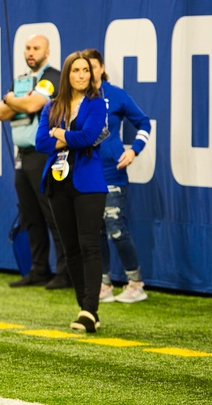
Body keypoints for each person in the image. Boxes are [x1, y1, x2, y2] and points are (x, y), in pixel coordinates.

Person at [36, 52, 109, 333]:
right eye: (76, 70)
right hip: (57, 182)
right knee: (70, 249)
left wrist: (58, 133)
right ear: (66, 75)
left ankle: (90, 309)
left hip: (88, 183)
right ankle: (85, 307)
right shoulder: (52, 106)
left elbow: (88, 137)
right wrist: (61, 136)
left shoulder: (97, 103)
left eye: (86, 70)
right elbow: (40, 142)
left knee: (89, 244)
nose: (81, 75)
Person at [0, 35, 69, 289]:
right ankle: (39, 269)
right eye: (27, 48)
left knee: (52, 213)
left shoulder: (51, 76)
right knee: (31, 216)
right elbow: (1, 113)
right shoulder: (22, 81)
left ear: (47, 52)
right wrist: (16, 100)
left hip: (45, 154)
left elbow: (33, 104)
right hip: (23, 155)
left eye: (36, 48)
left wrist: (12, 100)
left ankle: (65, 271)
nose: (30, 52)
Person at [81, 48, 151, 304]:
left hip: (112, 172)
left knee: (115, 228)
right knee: (94, 230)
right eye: (82, 68)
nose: (87, 73)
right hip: (85, 173)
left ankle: (135, 283)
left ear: (101, 68)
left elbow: (144, 122)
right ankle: (104, 283)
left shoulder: (116, 95)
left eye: (92, 67)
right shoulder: (77, 98)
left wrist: (134, 150)